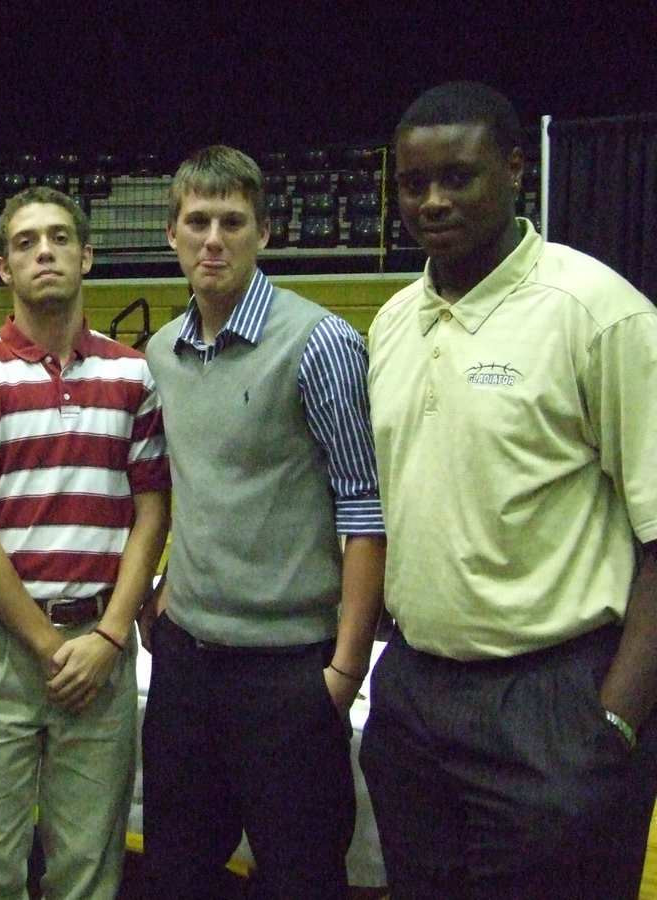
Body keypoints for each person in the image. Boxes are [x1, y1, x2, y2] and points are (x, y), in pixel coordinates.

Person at [359, 81, 657, 899]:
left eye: (459, 177)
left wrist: (615, 722)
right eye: (414, 184)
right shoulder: (391, 322)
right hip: (415, 692)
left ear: (516, 170)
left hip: (554, 699)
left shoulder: (598, 313)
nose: (433, 201)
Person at [141, 145, 386, 900]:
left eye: (233, 222)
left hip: (288, 671)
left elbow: (364, 509)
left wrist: (343, 673)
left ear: (264, 233)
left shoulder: (320, 344)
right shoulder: (160, 352)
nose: (213, 239)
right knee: (179, 875)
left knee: (302, 879)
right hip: (185, 667)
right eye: (198, 222)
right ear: (173, 234)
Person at [0, 186, 171, 899]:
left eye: (60, 238)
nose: (45, 252)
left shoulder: (136, 375)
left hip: (99, 646)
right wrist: (48, 644)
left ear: (87, 255)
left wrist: (109, 634)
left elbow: (151, 513)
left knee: (88, 874)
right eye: (27, 242)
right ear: (3, 267)